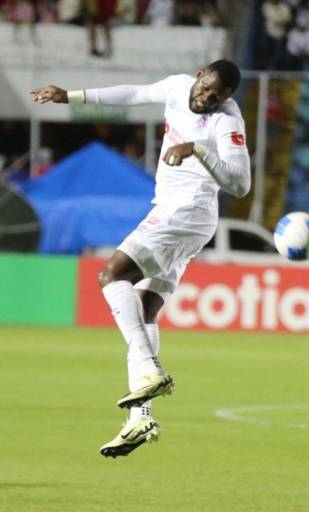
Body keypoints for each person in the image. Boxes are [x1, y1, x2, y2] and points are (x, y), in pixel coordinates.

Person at [30, 59, 250, 458]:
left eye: (217, 97)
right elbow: (133, 93)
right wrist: (72, 97)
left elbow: (241, 184)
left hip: (185, 212)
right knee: (145, 309)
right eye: (206, 89)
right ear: (200, 75)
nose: (207, 99)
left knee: (112, 275)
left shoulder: (226, 121)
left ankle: (151, 370)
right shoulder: (177, 87)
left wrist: (198, 149)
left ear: (228, 97)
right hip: (176, 213)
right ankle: (138, 419)